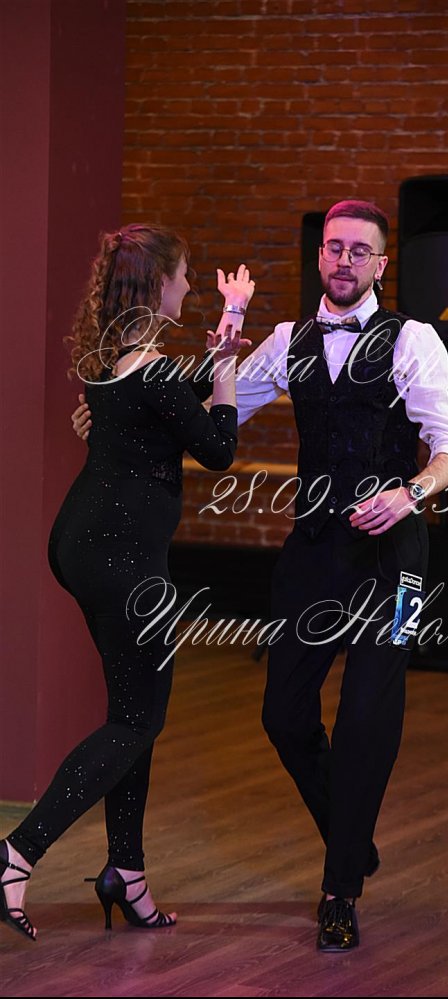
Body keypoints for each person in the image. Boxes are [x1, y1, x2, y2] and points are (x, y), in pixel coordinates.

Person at [71, 201, 448, 952]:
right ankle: (351, 838)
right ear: (320, 257)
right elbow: (206, 417)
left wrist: (411, 493)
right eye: (334, 248)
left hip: (393, 557)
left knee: (366, 719)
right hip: (315, 548)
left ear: (382, 264)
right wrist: (117, 415)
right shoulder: (289, 342)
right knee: (284, 715)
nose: (345, 261)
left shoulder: (413, 339)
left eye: (360, 251)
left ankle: (339, 888)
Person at [0, 224, 254, 942]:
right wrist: (227, 369)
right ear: (158, 284)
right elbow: (220, 448)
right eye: (185, 276)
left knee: (131, 713)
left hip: (82, 543)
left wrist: (227, 332)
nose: (190, 287)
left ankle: (126, 874)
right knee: (137, 721)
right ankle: (17, 852)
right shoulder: (154, 374)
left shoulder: (115, 364)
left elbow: (177, 397)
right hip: (122, 559)